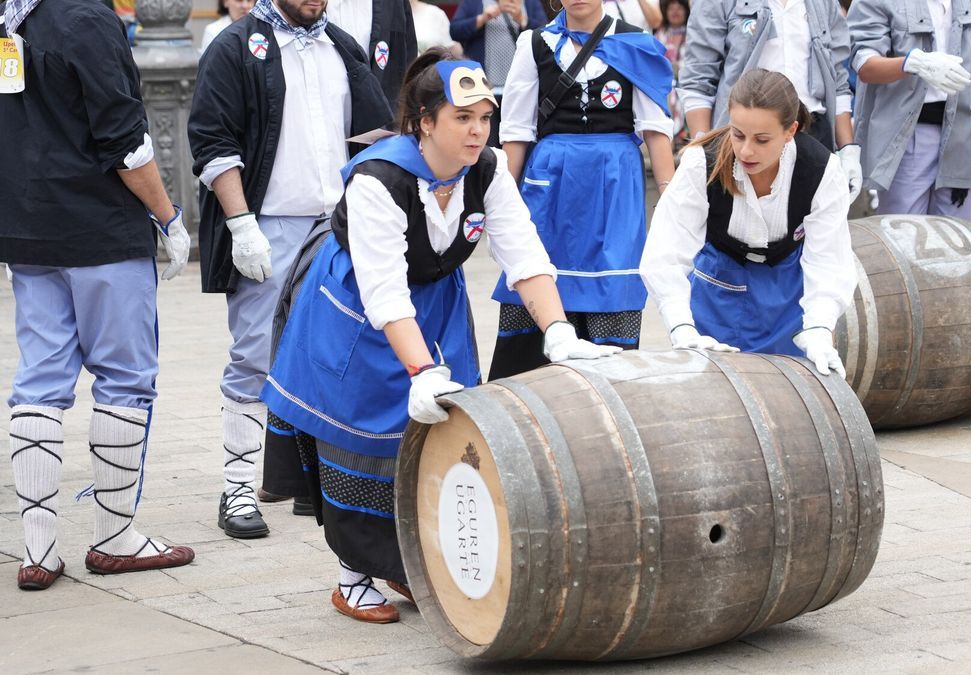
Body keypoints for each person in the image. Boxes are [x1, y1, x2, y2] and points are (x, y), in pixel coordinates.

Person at [261, 51, 619, 623]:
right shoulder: (380, 180)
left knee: (437, 439)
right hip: (358, 312)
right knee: (363, 439)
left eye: (484, 117)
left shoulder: (489, 169)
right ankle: (353, 575)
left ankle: (409, 562)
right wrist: (420, 369)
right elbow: (383, 291)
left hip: (436, 307)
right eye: (462, 118)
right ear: (425, 121)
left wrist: (557, 331)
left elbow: (523, 254)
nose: (477, 131)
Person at [1, 0, 196, 590]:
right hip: (99, 227)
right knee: (126, 379)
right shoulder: (85, 17)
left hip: (28, 225)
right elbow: (125, 140)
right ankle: (115, 536)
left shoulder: (14, 17)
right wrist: (169, 216)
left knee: (39, 383)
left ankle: (39, 551)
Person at [188, 0, 392, 539]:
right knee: (254, 354)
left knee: (335, 356)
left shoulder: (342, 48)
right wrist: (240, 224)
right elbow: (212, 140)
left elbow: (374, 136)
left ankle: (319, 479)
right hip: (269, 224)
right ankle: (236, 486)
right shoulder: (234, 47)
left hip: (334, 226)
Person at [489, 0, 677, 378]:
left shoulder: (636, 42)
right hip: (550, 191)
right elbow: (515, 131)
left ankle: (611, 410)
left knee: (613, 292)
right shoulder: (534, 43)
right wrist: (501, 207)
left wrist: (672, 209)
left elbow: (656, 130)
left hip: (613, 188)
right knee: (536, 278)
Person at [640, 69, 856, 374]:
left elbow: (829, 259)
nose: (746, 150)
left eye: (762, 139)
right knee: (715, 390)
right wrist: (681, 328)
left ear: (790, 130)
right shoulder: (701, 162)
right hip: (718, 288)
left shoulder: (822, 170)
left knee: (787, 396)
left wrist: (820, 329)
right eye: (738, 134)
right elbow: (666, 252)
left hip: (786, 294)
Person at [847, 0, 971, 217]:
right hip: (905, 135)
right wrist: (913, 63)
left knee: (958, 239)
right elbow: (864, 63)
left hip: (961, 133)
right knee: (905, 236)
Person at [679, 0, 863, 202]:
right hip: (744, 137)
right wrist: (702, 152)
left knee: (815, 224)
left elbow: (836, 77)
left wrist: (847, 150)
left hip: (812, 133)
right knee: (739, 225)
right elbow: (699, 76)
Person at [449, 0, 547, 146]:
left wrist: (522, 19)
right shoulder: (473, 3)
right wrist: (482, 18)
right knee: (486, 142)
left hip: (520, 92)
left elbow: (546, 36)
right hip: (484, 89)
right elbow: (454, 31)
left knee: (519, 140)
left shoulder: (530, 3)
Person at [325, 0, 419, 106]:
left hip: (384, 112)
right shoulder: (311, 6)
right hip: (329, 109)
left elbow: (407, 59)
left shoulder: (393, 4)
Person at [655, 0, 689, 143]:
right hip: (664, 86)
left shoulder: (693, 33)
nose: (675, 12)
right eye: (671, 8)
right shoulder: (659, 34)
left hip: (686, 84)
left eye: (679, 8)